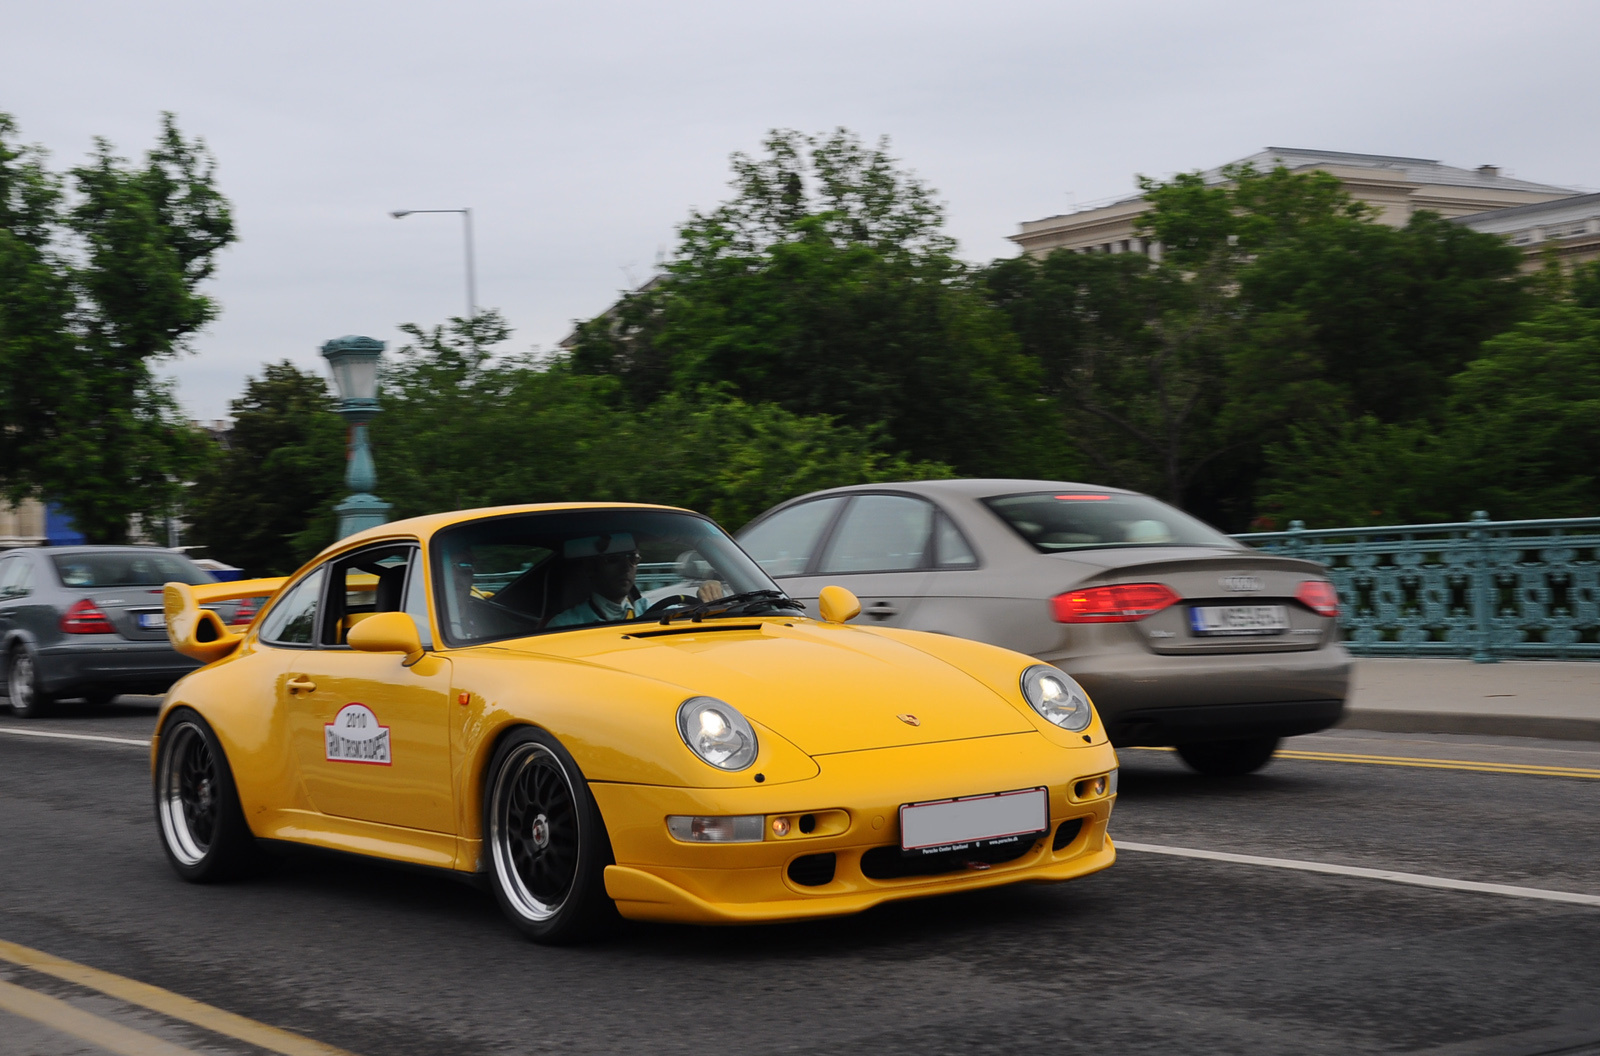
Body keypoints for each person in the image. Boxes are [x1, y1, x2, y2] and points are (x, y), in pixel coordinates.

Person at [545, 533, 724, 629]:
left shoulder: (650, 610)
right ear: (591, 568)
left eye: (633, 558)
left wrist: (709, 594)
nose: (626, 567)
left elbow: (687, 620)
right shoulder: (564, 625)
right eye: (613, 560)